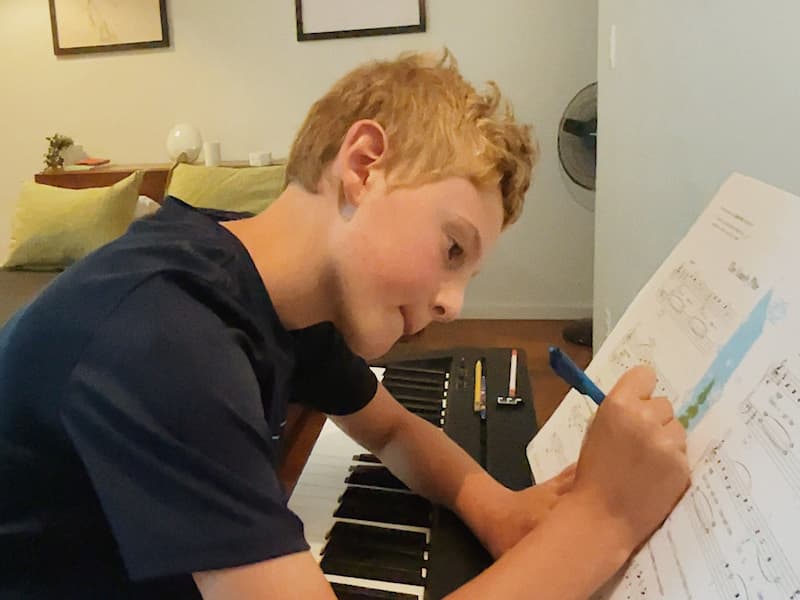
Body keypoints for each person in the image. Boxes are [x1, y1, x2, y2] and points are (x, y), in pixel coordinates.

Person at [0, 50, 689, 599]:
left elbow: (391, 430)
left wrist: (495, 508)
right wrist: (606, 519)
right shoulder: (166, 339)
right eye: (453, 249)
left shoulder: (262, 286)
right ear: (363, 166)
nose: (452, 304)